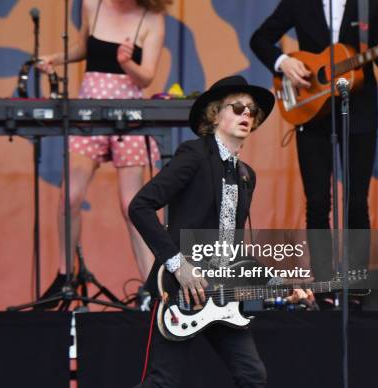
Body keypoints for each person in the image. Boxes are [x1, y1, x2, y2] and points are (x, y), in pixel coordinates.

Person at [250, 0, 378, 305]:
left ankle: (356, 286)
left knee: (356, 200)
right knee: (318, 201)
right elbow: (259, 38)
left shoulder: (371, 4)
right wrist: (283, 61)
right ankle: (322, 286)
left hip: (359, 111)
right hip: (310, 110)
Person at [128, 75, 283, 387]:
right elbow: (140, 206)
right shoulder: (195, 154)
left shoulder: (246, 176)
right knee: (163, 382)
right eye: (238, 107)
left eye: (252, 111)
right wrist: (178, 264)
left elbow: (231, 244)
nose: (246, 115)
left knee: (252, 376)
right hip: (181, 290)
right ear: (215, 114)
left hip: (222, 295)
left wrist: (279, 283)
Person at [36, 0, 170, 304]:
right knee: (69, 196)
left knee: (132, 205)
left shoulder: (152, 19)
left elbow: (147, 76)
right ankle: (64, 277)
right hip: (90, 109)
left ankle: (154, 288)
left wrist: (127, 63)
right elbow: (86, 47)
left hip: (129, 113)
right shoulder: (92, 5)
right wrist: (55, 59)